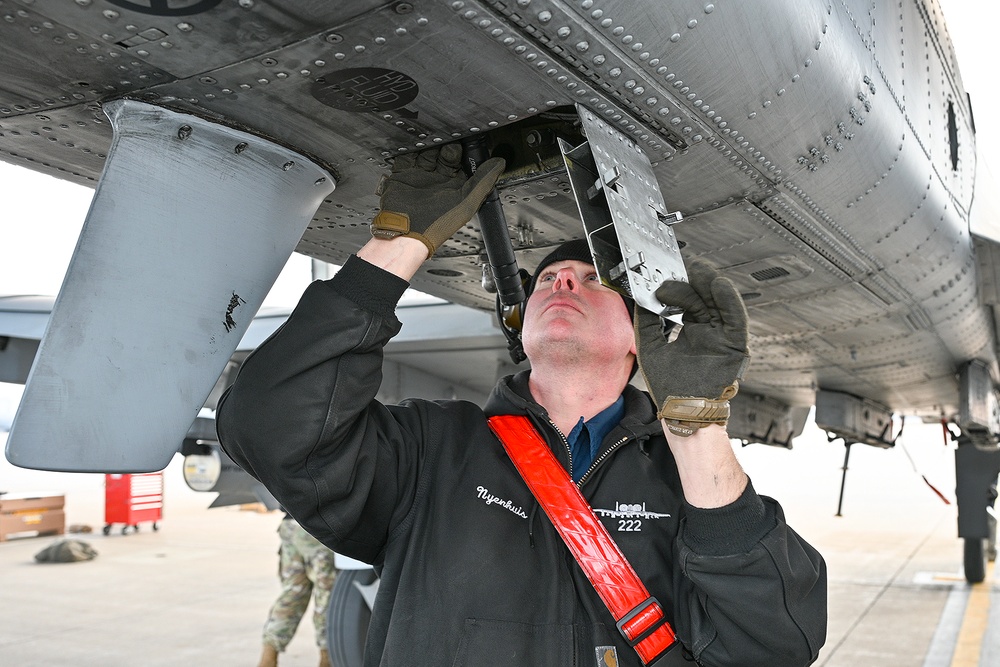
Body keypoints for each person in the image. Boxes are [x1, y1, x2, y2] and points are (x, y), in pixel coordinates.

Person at [218, 144, 827, 666]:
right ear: (525, 325)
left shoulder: (689, 488)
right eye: (547, 278)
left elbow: (774, 643)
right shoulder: (431, 452)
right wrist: (394, 248)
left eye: (593, 281)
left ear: (639, 341)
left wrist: (696, 427)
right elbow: (270, 429)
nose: (562, 280)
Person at [258, 512, 338, 667]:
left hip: (291, 526)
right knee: (327, 598)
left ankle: (268, 658)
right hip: (320, 529)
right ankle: (327, 658)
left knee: (292, 594)